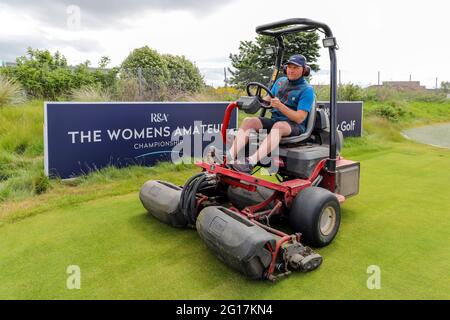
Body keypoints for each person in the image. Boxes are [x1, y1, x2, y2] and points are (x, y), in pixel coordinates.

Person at [228, 54, 316, 173]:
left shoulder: (307, 90)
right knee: (249, 121)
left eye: (296, 67)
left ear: (304, 70)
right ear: (286, 68)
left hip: (294, 126)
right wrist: (257, 100)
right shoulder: (280, 82)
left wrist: (280, 106)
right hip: (276, 121)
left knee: (278, 126)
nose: (291, 70)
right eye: (289, 67)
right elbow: (268, 99)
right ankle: (229, 157)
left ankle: (250, 162)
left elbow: (300, 118)